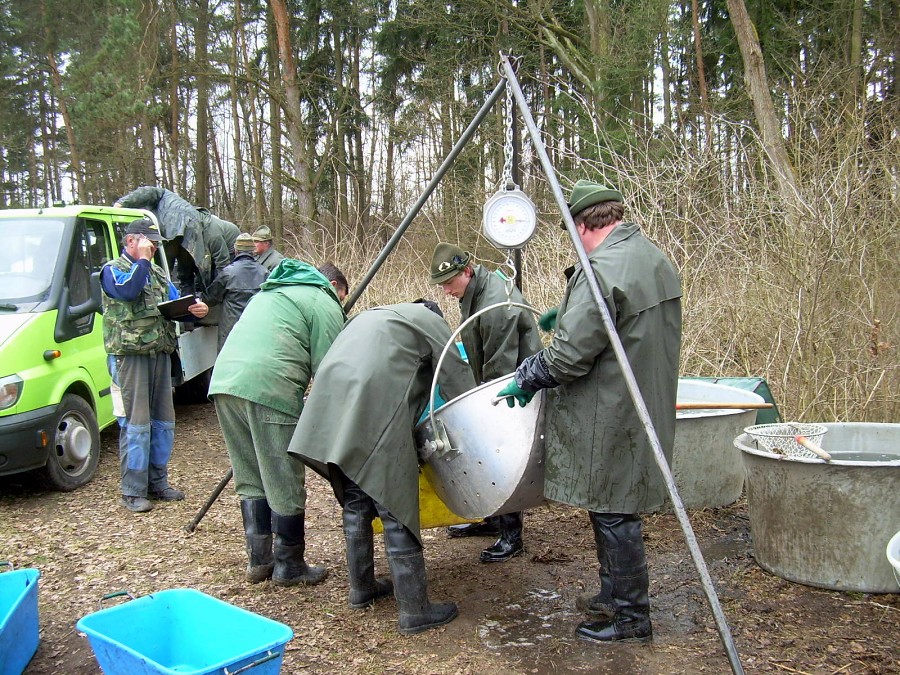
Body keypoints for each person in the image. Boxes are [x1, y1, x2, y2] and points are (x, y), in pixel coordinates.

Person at [497, 180, 682, 643]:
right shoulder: (652, 257)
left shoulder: (599, 269)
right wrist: (568, 316)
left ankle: (631, 620)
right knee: (613, 505)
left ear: (583, 225)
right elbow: (618, 327)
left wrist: (529, 374)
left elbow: (569, 358)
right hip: (643, 399)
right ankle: (612, 594)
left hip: (613, 407)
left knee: (614, 510)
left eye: (572, 234)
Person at [287, 302, 476, 634]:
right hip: (373, 400)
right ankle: (415, 611)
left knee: (358, 494)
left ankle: (361, 588)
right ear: (435, 315)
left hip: (333, 399)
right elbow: (456, 377)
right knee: (394, 500)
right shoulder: (429, 321)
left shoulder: (373, 316)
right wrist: (477, 423)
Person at [208, 259, 347, 587]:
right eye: (341, 299)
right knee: (282, 476)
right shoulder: (322, 300)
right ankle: (290, 565)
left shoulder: (269, 294)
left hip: (225, 383)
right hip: (270, 388)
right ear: (336, 288)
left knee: (251, 473)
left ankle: (259, 560)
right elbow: (331, 370)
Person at [429, 242, 542, 563]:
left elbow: (500, 367)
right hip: (500, 378)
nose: (447, 291)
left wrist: (484, 407)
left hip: (516, 386)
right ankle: (493, 519)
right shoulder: (474, 291)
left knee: (503, 453)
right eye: (442, 285)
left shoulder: (495, 304)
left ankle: (511, 536)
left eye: (450, 283)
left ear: (467, 270)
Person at [100, 217, 209, 513]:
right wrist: (144, 261)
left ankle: (158, 483)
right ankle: (133, 489)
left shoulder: (158, 273)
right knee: (136, 423)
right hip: (129, 358)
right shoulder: (113, 271)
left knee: (163, 422)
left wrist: (195, 311)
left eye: (155, 244)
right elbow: (128, 292)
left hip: (160, 354)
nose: (153, 248)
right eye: (149, 243)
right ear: (131, 241)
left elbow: (176, 307)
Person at [115, 186, 240, 294]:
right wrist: (122, 204)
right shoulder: (162, 202)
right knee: (185, 275)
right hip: (178, 235)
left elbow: (223, 265)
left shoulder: (212, 233)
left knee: (218, 280)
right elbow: (150, 192)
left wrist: (213, 296)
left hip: (231, 250)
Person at [201, 233, 268, 352]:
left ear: (236, 251)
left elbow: (209, 298)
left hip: (231, 331)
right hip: (257, 329)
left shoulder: (228, 273)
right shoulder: (265, 273)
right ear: (253, 251)